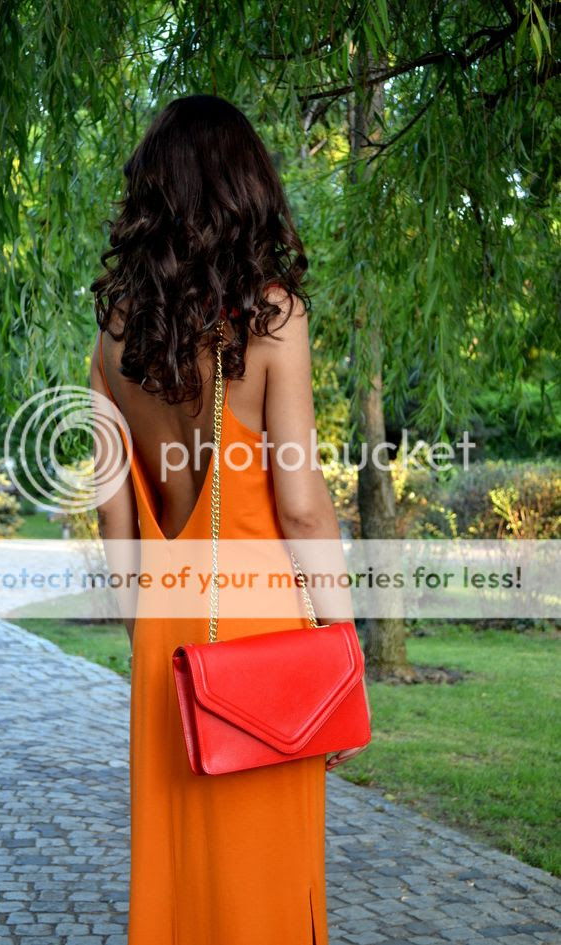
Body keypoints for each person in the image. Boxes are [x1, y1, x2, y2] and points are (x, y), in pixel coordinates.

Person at [89, 93, 371, 945]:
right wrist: (343, 651)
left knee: (180, 881)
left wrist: (155, 645)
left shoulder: (111, 339)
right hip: (261, 644)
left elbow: (115, 529)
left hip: (166, 644)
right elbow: (302, 507)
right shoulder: (273, 321)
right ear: (247, 191)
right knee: (264, 887)